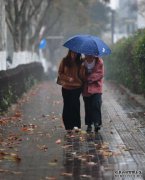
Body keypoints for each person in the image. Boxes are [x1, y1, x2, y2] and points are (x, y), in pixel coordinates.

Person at [57, 50, 85, 132]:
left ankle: (76, 125)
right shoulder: (64, 61)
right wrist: (67, 78)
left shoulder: (81, 62)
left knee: (75, 105)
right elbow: (60, 72)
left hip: (77, 87)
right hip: (66, 87)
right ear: (69, 52)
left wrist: (83, 67)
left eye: (76, 53)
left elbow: (82, 75)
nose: (74, 54)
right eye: (73, 52)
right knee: (67, 106)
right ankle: (68, 126)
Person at [82, 55, 104, 133]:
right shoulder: (82, 61)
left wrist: (90, 78)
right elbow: (80, 73)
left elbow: (100, 74)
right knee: (88, 107)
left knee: (96, 104)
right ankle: (89, 124)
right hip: (86, 88)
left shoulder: (99, 61)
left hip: (96, 87)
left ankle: (97, 123)